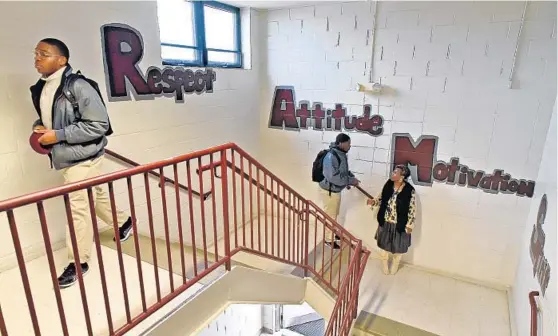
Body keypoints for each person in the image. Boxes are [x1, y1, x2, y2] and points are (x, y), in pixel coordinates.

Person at [31, 38, 133, 288]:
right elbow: (54, 117)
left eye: (43, 54)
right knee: (95, 196)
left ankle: (78, 262)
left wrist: (59, 134)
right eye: (35, 54)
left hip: (83, 157)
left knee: (77, 207)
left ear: (62, 60)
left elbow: (100, 125)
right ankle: (124, 222)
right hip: (67, 156)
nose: (37, 58)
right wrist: (39, 127)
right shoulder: (41, 87)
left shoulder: (79, 86)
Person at [367, 164, 417, 275]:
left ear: (402, 176)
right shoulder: (388, 185)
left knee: (398, 249)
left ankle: (395, 266)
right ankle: (384, 265)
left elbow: (412, 209)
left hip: (400, 224)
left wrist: (410, 225)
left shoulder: (409, 190)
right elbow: (380, 198)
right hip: (386, 221)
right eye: (393, 172)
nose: (392, 174)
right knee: (383, 247)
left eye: (395, 172)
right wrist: (373, 202)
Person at [319, 133, 359, 249]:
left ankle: (332, 232)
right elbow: (333, 177)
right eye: (348, 143)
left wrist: (349, 179)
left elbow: (343, 170)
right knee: (330, 215)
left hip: (335, 190)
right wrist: (350, 181)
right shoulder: (331, 156)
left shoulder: (341, 154)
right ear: (341, 143)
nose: (350, 146)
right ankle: (328, 240)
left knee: (334, 214)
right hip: (330, 191)